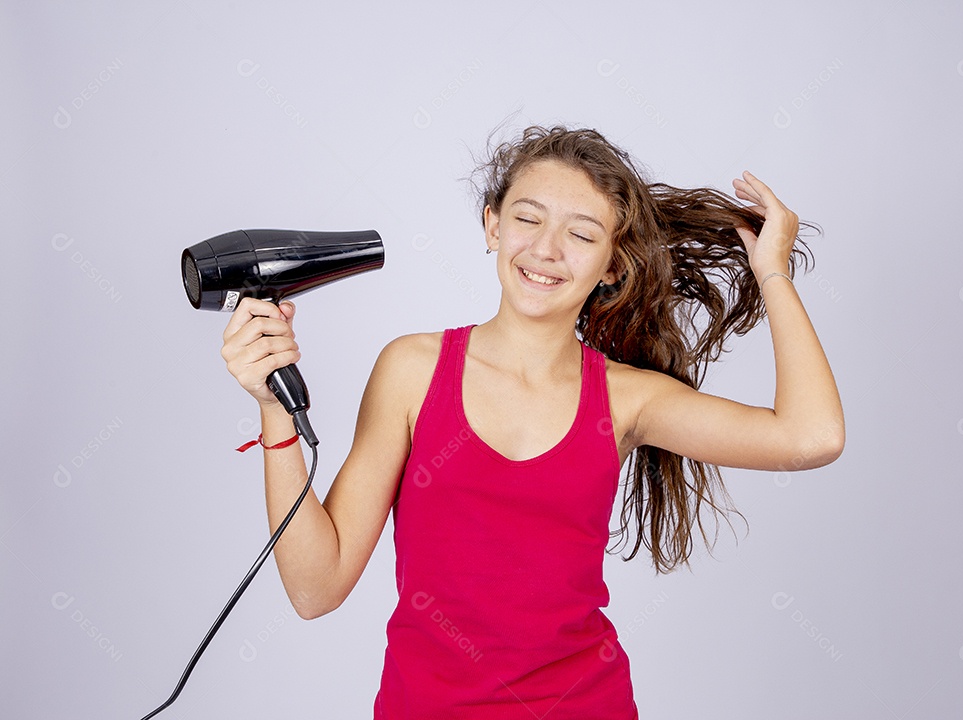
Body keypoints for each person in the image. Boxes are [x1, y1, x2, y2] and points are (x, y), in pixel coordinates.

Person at [220, 125, 844, 719]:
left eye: (582, 234)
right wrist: (274, 409)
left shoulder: (627, 401)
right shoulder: (412, 370)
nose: (546, 249)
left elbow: (811, 437)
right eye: (527, 218)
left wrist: (772, 271)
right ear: (492, 225)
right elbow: (316, 588)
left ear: (612, 264)